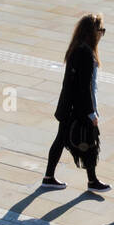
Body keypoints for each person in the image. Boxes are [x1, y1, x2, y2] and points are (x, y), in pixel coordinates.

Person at [42, 13, 110, 194]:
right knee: (91, 142)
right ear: (92, 32)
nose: (102, 34)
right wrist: (91, 113)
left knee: (62, 140)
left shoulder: (77, 49)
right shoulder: (86, 53)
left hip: (68, 107)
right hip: (78, 110)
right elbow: (84, 87)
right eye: (101, 30)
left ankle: (49, 177)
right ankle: (92, 181)